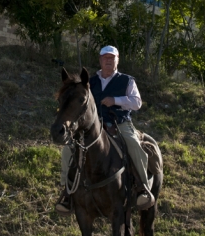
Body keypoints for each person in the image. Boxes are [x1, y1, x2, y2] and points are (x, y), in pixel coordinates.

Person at [55, 45, 155, 214]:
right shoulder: (90, 82)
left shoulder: (127, 80)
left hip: (120, 123)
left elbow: (137, 103)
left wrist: (115, 100)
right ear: (100, 61)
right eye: (105, 58)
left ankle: (142, 188)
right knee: (67, 150)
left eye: (112, 58)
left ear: (117, 60)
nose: (108, 61)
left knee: (134, 146)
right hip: (94, 128)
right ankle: (67, 193)